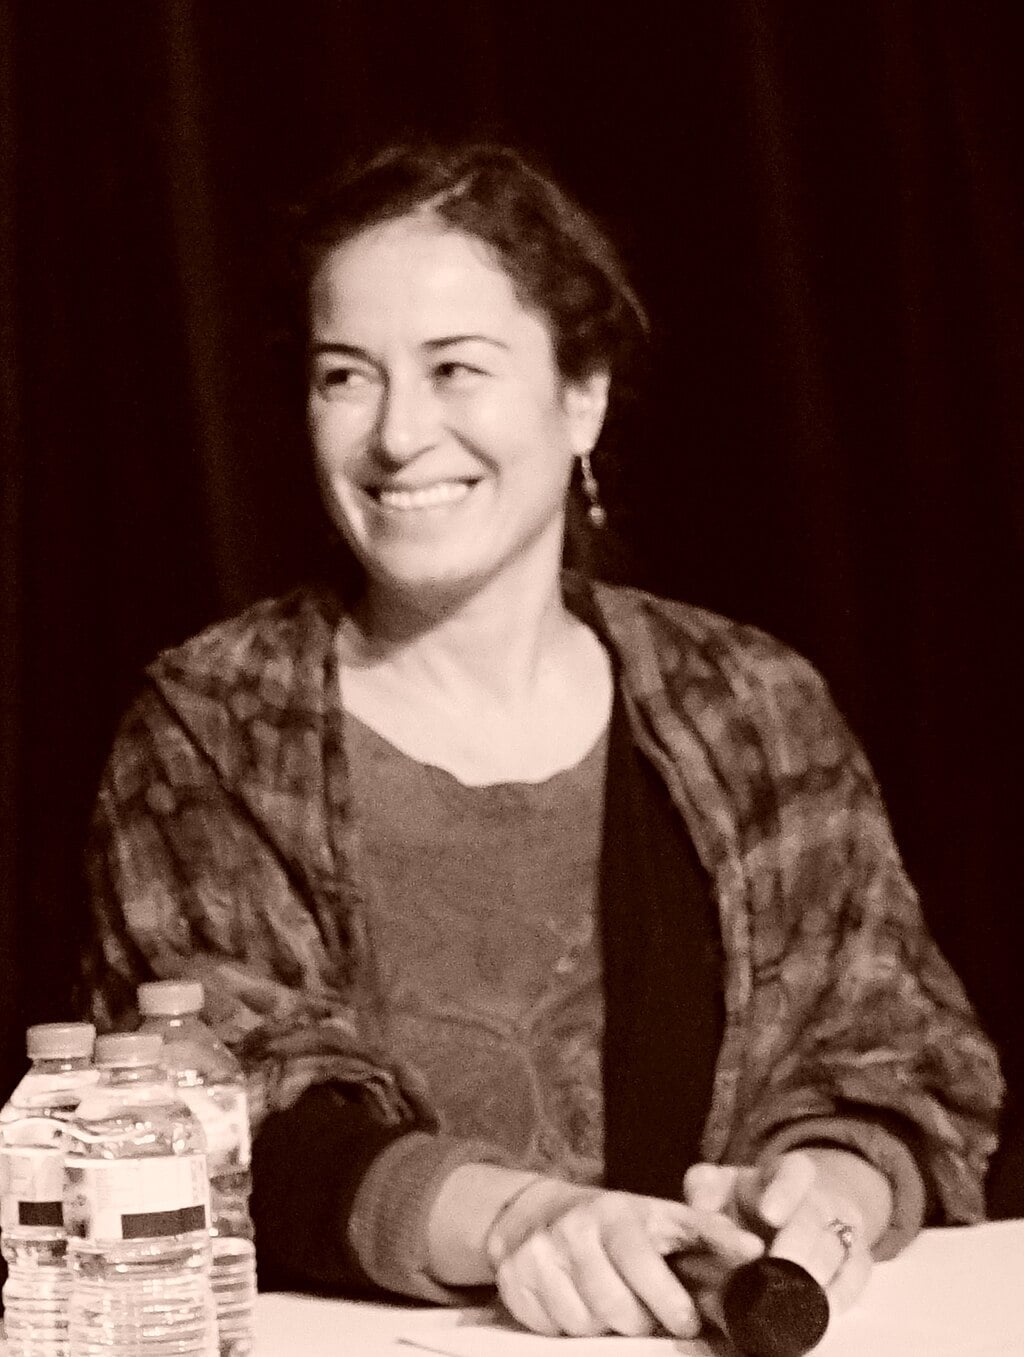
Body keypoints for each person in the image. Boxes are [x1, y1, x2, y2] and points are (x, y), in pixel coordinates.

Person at [79, 142, 1003, 1340]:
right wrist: (528, 1223)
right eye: (345, 376)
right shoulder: (212, 723)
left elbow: (898, 1055)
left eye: (456, 367)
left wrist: (827, 1184)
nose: (399, 435)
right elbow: (224, 1105)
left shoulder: (751, 705)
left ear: (584, 396)